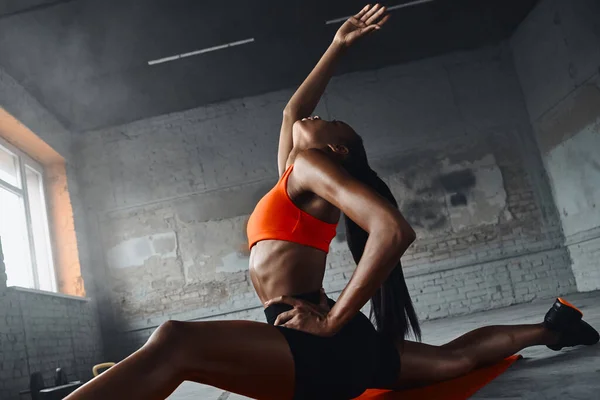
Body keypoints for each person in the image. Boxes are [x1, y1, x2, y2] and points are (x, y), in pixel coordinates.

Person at [66, 4, 598, 400]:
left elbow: (393, 230)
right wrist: (339, 45)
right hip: (332, 344)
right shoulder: (294, 177)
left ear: (336, 148)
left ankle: (128, 379)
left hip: (321, 341)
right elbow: (292, 110)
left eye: (328, 121)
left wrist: (333, 321)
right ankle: (553, 328)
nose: (317, 115)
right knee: (450, 358)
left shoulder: (315, 169)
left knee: (175, 341)